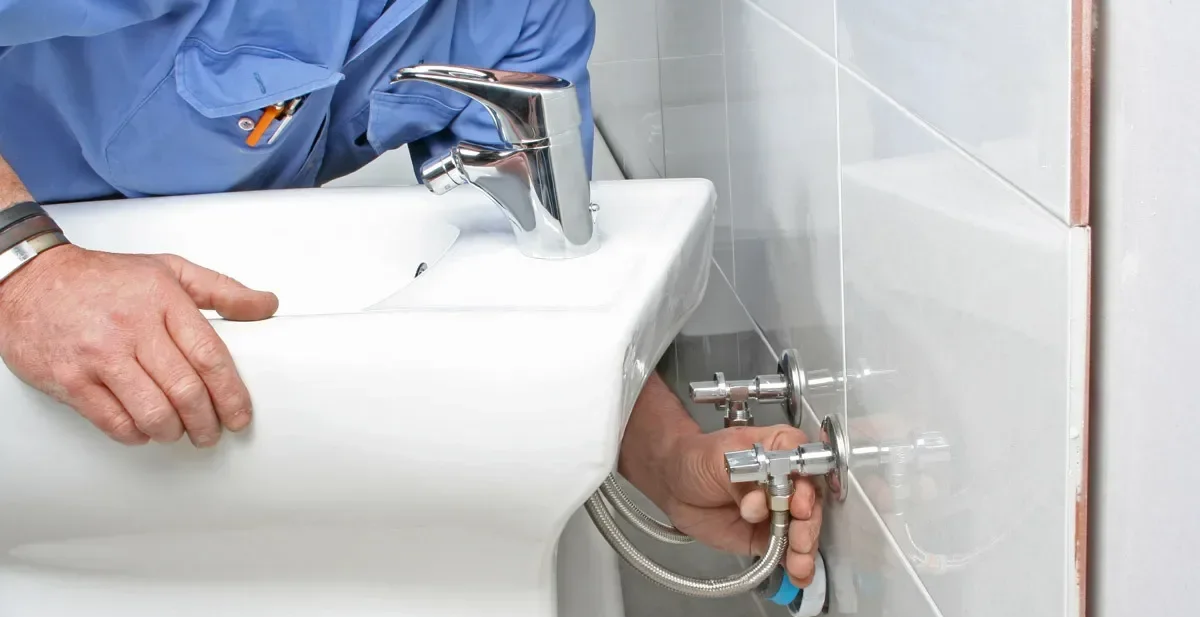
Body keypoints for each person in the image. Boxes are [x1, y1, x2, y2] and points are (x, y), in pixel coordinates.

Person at [0, 0, 822, 586]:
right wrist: (28, 268)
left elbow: (529, 268)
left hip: (166, 296)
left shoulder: (529, 19)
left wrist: (668, 460)